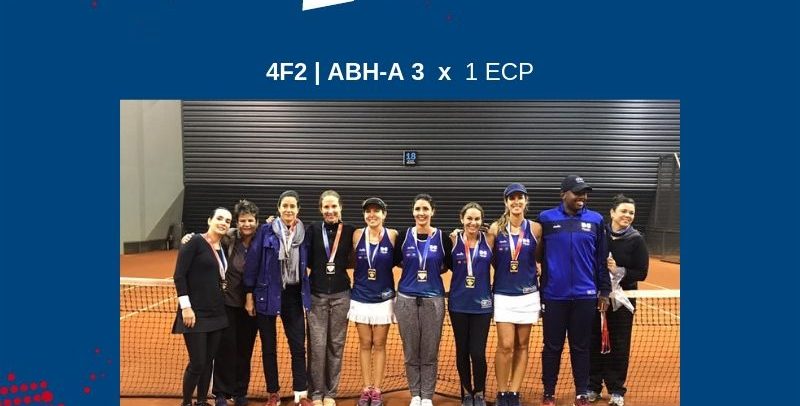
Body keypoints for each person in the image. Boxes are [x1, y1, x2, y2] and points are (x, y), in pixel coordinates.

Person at [538, 175, 610, 406]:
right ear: (563, 194)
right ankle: (549, 392)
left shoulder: (596, 220)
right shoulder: (545, 219)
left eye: (585, 193)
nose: (582, 197)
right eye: (577, 192)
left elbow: (601, 259)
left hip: (585, 296)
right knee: (552, 347)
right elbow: (537, 254)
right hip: (553, 295)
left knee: (581, 347)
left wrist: (604, 291)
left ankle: (581, 392)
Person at [244, 191, 313, 406]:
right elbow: (252, 262)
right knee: (269, 347)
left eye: (292, 206)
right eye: (285, 206)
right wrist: (249, 294)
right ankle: (273, 393)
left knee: (298, 347)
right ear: (279, 208)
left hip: (294, 295)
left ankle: (300, 393)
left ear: (298, 209)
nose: (288, 210)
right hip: (267, 294)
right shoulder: (265, 231)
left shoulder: (305, 233)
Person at [587, 194, 649, 406]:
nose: (627, 215)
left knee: (620, 345)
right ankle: (592, 386)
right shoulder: (599, 234)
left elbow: (641, 273)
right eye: (623, 211)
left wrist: (618, 270)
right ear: (612, 212)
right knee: (594, 341)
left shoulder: (636, 240)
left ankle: (616, 390)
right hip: (597, 298)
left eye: (631, 212)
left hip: (622, 302)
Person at [393, 194, 452, 406]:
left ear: (432, 211)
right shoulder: (403, 236)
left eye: (425, 209)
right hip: (406, 299)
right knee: (410, 351)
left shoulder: (443, 238)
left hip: (433, 300)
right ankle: (414, 395)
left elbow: (447, 265)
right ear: (413, 211)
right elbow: (397, 261)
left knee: (429, 351)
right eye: (418, 209)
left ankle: (426, 396)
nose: (421, 213)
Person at [172, 207, 232, 406]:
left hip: (217, 313)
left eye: (227, 221)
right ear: (209, 220)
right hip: (195, 313)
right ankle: (186, 402)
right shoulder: (194, 242)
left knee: (208, 361)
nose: (223, 223)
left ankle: (201, 401)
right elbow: (179, 276)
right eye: (219, 218)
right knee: (197, 362)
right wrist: (186, 307)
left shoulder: (224, 246)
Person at [489, 184, 542, 406]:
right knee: (506, 345)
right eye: (512, 198)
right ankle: (502, 392)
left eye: (520, 198)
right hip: (503, 295)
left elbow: (539, 256)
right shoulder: (495, 229)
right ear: (506, 202)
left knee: (522, 345)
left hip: (528, 296)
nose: (516, 202)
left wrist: (538, 268)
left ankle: (514, 392)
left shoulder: (536, 229)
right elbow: (489, 259)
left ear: (526, 201)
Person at [305, 190, 356, 406]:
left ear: (340, 207)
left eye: (334, 206)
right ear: (320, 209)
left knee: (336, 346)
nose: (330, 210)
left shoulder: (351, 231)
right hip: (316, 296)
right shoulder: (313, 229)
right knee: (317, 346)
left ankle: (330, 394)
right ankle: (316, 393)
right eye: (326, 207)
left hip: (342, 296)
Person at [349, 197, 399, 406]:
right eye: (368, 211)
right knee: (364, 344)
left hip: (383, 299)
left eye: (376, 211)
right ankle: (366, 388)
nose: (372, 215)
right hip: (360, 297)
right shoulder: (357, 235)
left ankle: (377, 390)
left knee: (379, 344)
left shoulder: (393, 235)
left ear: (384, 214)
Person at [211, 200, 260, 406]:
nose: (247, 224)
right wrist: (190, 237)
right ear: (237, 223)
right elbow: (208, 237)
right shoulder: (229, 238)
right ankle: (221, 393)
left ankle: (240, 392)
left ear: (256, 221)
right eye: (242, 220)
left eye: (250, 220)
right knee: (225, 348)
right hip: (228, 303)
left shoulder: (262, 239)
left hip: (252, 306)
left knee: (244, 350)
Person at [448, 202, 495, 406]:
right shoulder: (453, 239)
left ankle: (480, 392)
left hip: (482, 306)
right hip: (458, 305)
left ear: (481, 220)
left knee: (477, 352)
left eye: (476, 219)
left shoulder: (490, 239)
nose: (472, 222)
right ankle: (466, 393)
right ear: (462, 219)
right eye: (469, 218)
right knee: (462, 351)